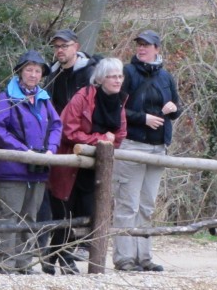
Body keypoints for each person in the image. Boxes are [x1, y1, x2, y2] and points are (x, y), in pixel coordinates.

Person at [46, 58, 127, 275]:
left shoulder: (119, 101)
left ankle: (57, 257)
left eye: (120, 76)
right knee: (65, 215)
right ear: (100, 79)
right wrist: (101, 139)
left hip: (95, 171)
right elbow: (69, 131)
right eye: (112, 76)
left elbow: (119, 136)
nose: (117, 80)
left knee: (92, 213)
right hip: (70, 166)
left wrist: (107, 140)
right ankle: (61, 258)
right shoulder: (82, 98)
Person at [0, 50, 62, 275]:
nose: (33, 74)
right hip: (12, 168)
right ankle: (4, 264)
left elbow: (56, 126)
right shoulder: (6, 98)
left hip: (38, 169)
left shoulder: (44, 99)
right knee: (9, 215)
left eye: (37, 70)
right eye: (29, 69)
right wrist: (23, 151)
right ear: (20, 71)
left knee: (30, 216)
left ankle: (24, 263)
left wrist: (51, 149)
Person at [113, 30, 181, 272]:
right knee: (127, 204)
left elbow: (175, 109)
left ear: (157, 49)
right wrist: (143, 119)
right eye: (139, 44)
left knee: (147, 205)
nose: (141, 48)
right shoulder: (126, 72)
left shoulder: (166, 77)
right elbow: (115, 109)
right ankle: (124, 258)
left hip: (158, 147)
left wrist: (172, 108)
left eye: (147, 45)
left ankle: (144, 257)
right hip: (132, 144)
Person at [40, 28, 99, 274]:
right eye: (56, 47)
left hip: (83, 143)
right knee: (60, 201)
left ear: (76, 46)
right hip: (58, 144)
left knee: (84, 202)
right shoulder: (51, 76)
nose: (60, 51)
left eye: (64, 46)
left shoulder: (90, 73)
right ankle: (60, 256)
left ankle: (67, 253)